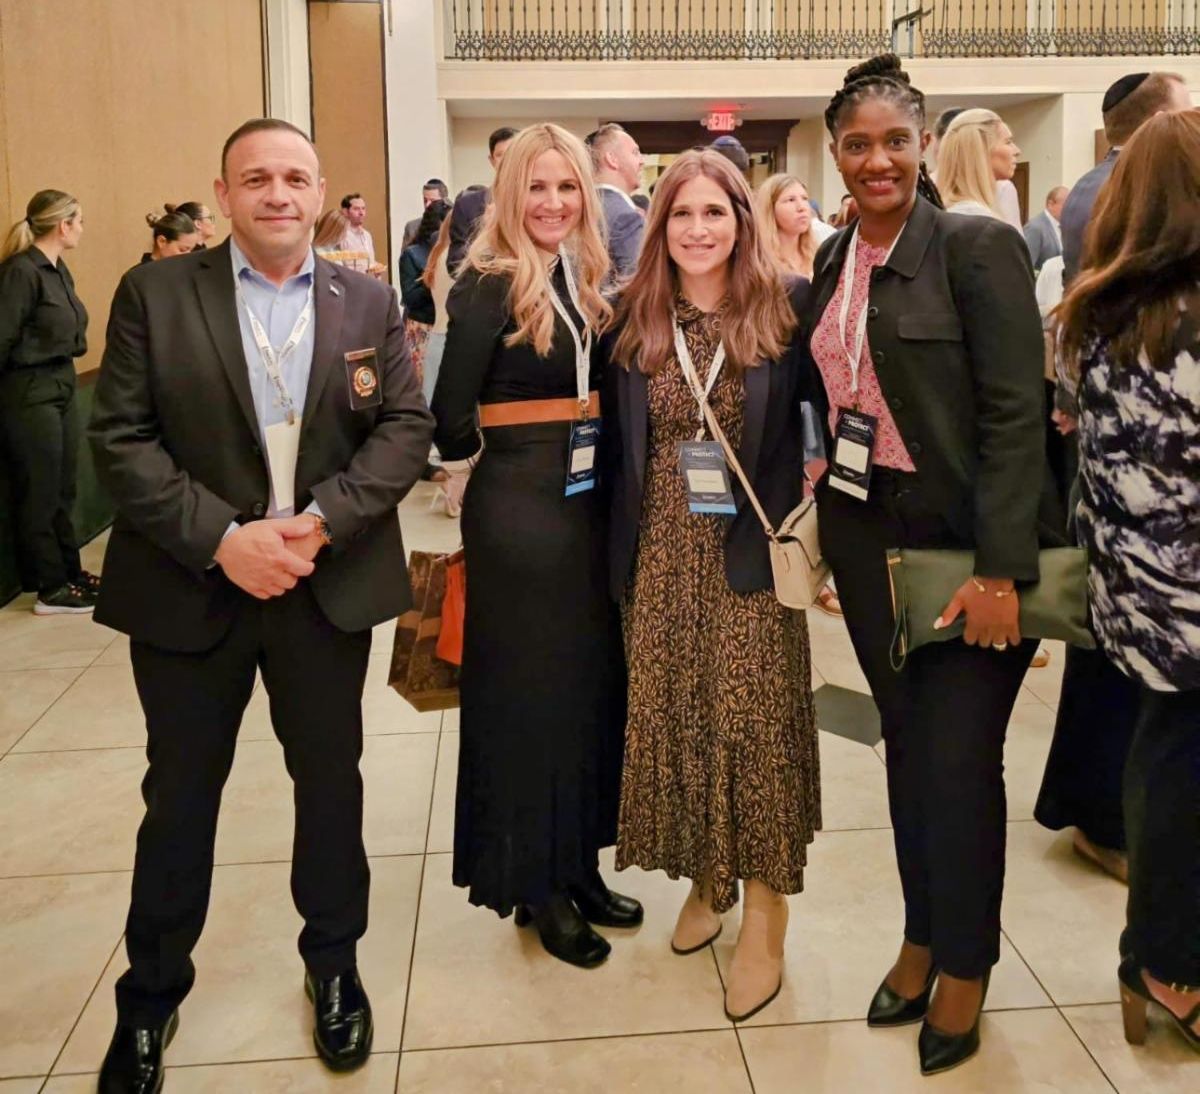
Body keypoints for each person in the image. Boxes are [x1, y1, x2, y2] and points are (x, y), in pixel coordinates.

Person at [88, 118, 434, 1092]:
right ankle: (149, 998)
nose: (277, 193)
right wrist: (223, 539)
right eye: (255, 178)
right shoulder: (156, 293)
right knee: (179, 796)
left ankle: (335, 967)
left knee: (330, 788)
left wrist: (321, 522)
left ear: (320, 193)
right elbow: (120, 439)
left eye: (294, 177)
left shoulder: (368, 298)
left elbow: (403, 428)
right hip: (190, 587)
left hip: (323, 588)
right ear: (223, 193)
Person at [810, 56, 1050, 1075]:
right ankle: (920, 935)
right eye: (857, 144)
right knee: (907, 751)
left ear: (923, 146)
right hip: (868, 540)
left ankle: (965, 965)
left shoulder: (975, 247)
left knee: (958, 763)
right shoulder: (833, 256)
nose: (877, 161)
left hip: (965, 550)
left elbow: (1016, 414)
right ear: (836, 153)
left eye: (895, 142)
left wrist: (1003, 571)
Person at [605, 149, 821, 1023]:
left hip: (749, 558)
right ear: (661, 225)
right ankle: (708, 876)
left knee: (756, 729)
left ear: (742, 220)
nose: (698, 229)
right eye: (682, 214)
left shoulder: (785, 306)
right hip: (659, 559)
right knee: (686, 723)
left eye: (715, 213)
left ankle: (766, 912)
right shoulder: (633, 317)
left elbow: (833, 417)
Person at [431, 123, 638, 969]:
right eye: (537, 188)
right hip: (520, 511)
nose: (553, 203)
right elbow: (449, 415)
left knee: (587, 689)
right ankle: (539, 884)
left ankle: (577, 862)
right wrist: (500, 462)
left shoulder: (585, 277)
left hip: (584, 505)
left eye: (567, 188)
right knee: (533, 698)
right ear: (510, 194)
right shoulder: (488, 283)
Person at [1057, 107, 1200, 1053]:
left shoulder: (1093, 312)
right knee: (1182, 775)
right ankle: (1166, 964)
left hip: (1134, 587)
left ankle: (1156, 956)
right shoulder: (1188, 321)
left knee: (1165, 758)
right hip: (1183, 587)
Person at [1035, 70, 1194, 881]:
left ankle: (1106, 830)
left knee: (1126, 707)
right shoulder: (1174, 317)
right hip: (1170, 572)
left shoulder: (1089, 310)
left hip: (1120, 547)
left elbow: (1067, 403)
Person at [0, 190, 95, 615]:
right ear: (63, 224)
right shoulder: (21, 272)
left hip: (61, 381)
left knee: (63, 487)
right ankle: (49, 587)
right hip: (29, 388)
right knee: (40, 489)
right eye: (79, 221)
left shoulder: (58, 269)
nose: (82, 229)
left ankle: (70, 573)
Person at [447, 125, 518, 275]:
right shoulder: (468, 205)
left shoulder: (539, 201)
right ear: (492, 160)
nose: (507, 160)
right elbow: (454, 263)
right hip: (485, 283)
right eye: (500, 155)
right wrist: (486, 237)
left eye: (514, 154)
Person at [398, 198, 451, 387]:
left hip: (446, 326)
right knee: (423, 386)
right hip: (422, 327)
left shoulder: (453, 253)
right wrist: (433, 280)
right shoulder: (412, 254)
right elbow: (410, 297)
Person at [587, 123, 645, 283]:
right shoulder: (625, 217)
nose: (642, 161)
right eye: (635, 153)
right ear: (612, 159)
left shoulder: (581, 207)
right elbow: (636, 283)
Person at [936, 109, 1019, 219]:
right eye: (1008, 142)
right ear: (982, 150)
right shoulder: (984, 222)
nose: (1017, 151)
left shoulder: (943, 215)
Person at [756, 173, 834, 281]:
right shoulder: (758, 262)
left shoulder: (820, 255)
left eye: (804, 198)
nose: (802, 207)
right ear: (770, 208)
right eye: (791, 200)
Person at [338, 192, 385, 277]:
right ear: (345, 212)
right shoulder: (341, 236)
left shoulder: (367, 235)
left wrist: (376, 266)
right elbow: (340, 267)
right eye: (356, 209)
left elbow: (367, 262)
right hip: (352, 282)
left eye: (363, 209)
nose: (361, 213)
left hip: (370, 282)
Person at [1023, 186, 1067, 273]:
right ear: (1050, 204)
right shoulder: (1035, 228)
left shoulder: (1064, 226)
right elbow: (1026, 266)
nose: (1070, 208)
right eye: (1066, 204)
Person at [402, 178, 449, 250]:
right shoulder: (412, 227)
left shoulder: (453, 227)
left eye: (433, 201)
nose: (427, 205)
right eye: (425, 200)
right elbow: (405, 255)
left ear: (444, 202)